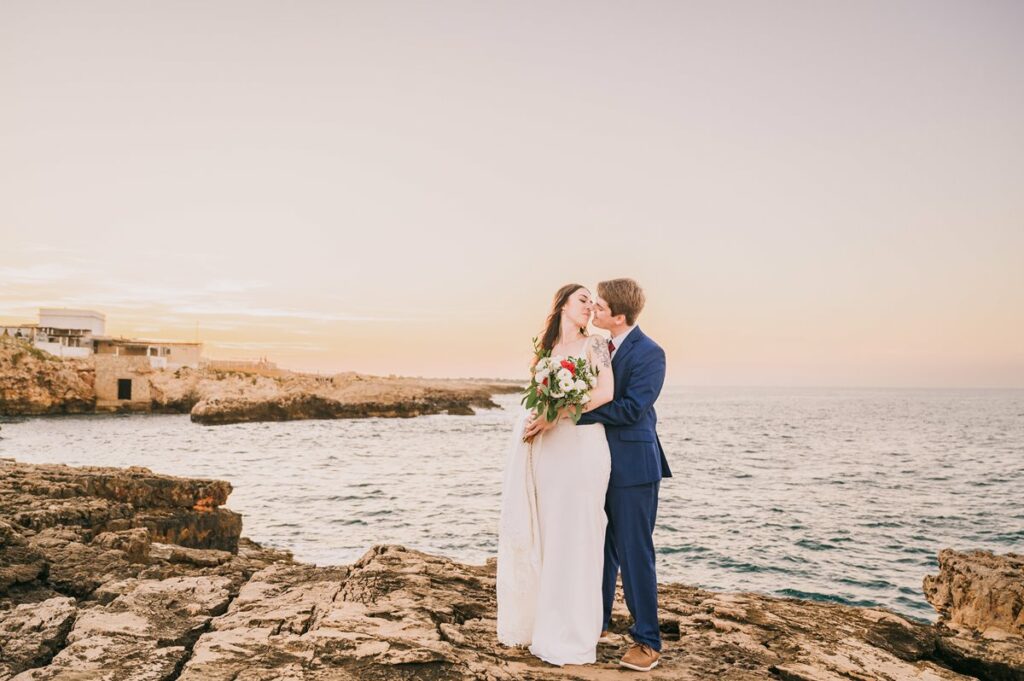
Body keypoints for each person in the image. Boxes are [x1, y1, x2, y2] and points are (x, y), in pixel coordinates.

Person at [524, 278, 670, 673]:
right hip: (589, 461)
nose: (593, 310)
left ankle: (647, 642)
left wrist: (563, 415)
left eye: (600, 306)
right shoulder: (598, 345)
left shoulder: (650, 353)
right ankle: (596, 621)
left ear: (619, 315)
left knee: (633, 550)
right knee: (595, 545)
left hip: (632, 466)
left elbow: (630, 409)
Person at [496, 283, 614, 666]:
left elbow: (605, 393)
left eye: (593, 303)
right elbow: (537, 394)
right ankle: (543, 626)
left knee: (579, 534)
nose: (590, 307)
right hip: (548, 451)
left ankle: (575, 635)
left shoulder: (596, 345)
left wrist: (555, 415)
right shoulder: (546, 350)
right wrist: (537, 420)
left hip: (581, 446)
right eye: (582, 300)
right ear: (562, 304)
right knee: (548, 533)